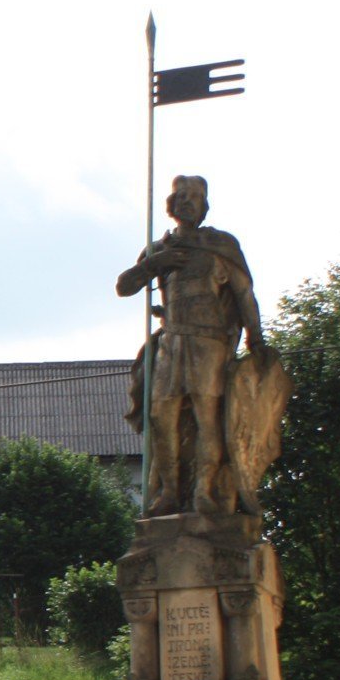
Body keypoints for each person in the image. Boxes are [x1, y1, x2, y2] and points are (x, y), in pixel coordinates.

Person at [118, 175, 268, 516]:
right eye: (180, 195)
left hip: (209, 342)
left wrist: (255, 337)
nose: (187, 201)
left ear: (204, 205)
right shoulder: (159, 249)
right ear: (171, 205)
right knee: (161, 417)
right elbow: (124, 287)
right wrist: (153, 265)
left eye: (195, 196)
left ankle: (204, 490)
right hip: (172, 341)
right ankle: (169, 492)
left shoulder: (221, 246)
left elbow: (245, 295)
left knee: (207, 417)